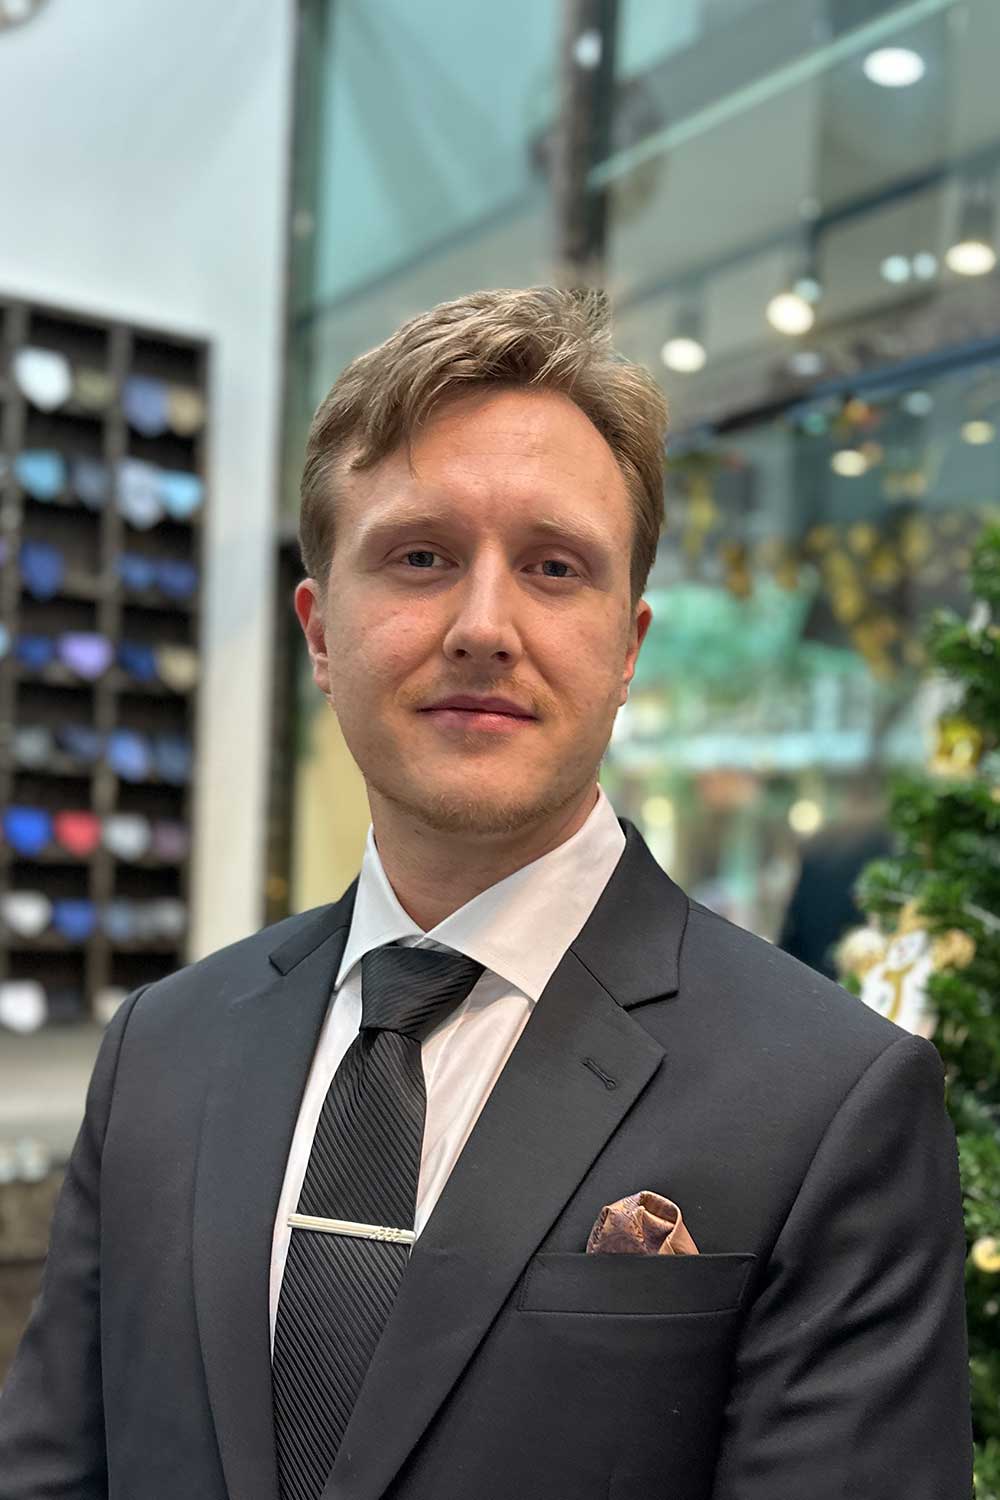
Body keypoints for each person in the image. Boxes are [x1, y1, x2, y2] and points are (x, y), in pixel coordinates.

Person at [0, 287, 972, 1500]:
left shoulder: (828, 1101)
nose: (482, 626)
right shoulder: (162, 1049)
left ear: (628, 646)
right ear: (319, 629)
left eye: (554, 567)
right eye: (420, 556)